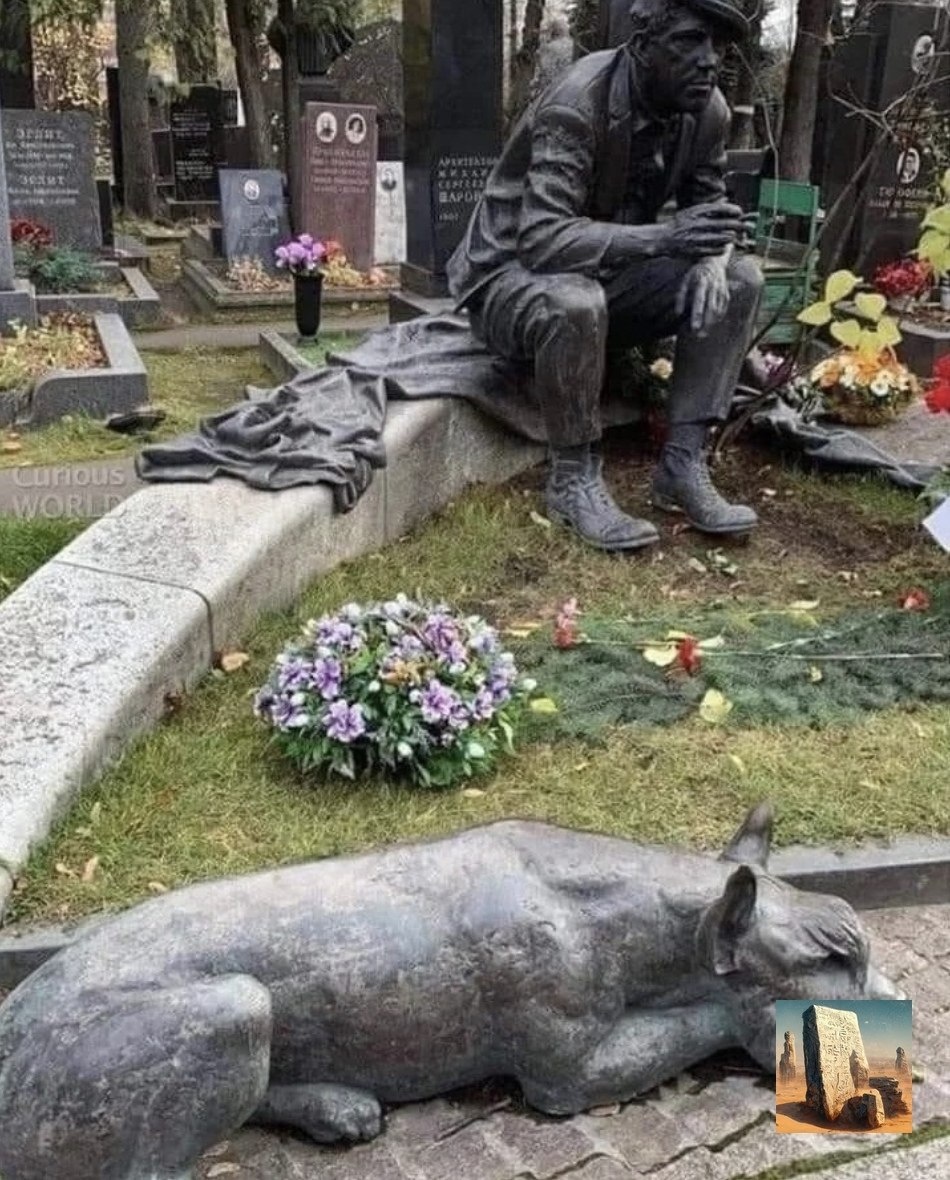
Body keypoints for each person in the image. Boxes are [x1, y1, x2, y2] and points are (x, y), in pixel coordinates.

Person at [447, 0, 763, 551]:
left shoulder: (706, 110)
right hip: (509, 279)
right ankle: (572, 479)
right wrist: (666, 238)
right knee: (574, 301)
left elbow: (710, 207)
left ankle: (681, 465)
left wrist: (713, 261)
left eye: (717, 46)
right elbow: (542, 241)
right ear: (642, 45)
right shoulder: (577, 104)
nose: (709, 60)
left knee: (741, 279)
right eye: (689, 41)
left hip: (608, 272)